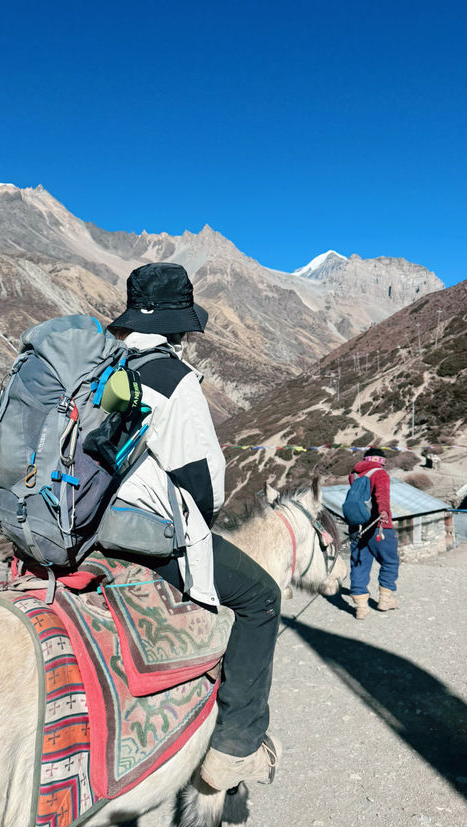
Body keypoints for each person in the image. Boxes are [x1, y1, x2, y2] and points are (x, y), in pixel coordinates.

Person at [103, 261, 281, 791]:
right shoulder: (174, 380)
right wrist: (202, 526)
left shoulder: (108, 367)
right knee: (261, 597)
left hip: (94, 520)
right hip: (148, 532)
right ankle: (235, 747)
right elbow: (201, 484)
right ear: (180, 325)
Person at [348, 448, 399, 619]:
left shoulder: (354, 475)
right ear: (381, 460)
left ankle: (361, 607)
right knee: (390, 561)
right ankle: (385, 600)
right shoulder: (380, 473)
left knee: (359, 563)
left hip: (357, 527)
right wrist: (383, 512)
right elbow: (382, 496)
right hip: (379, 526)